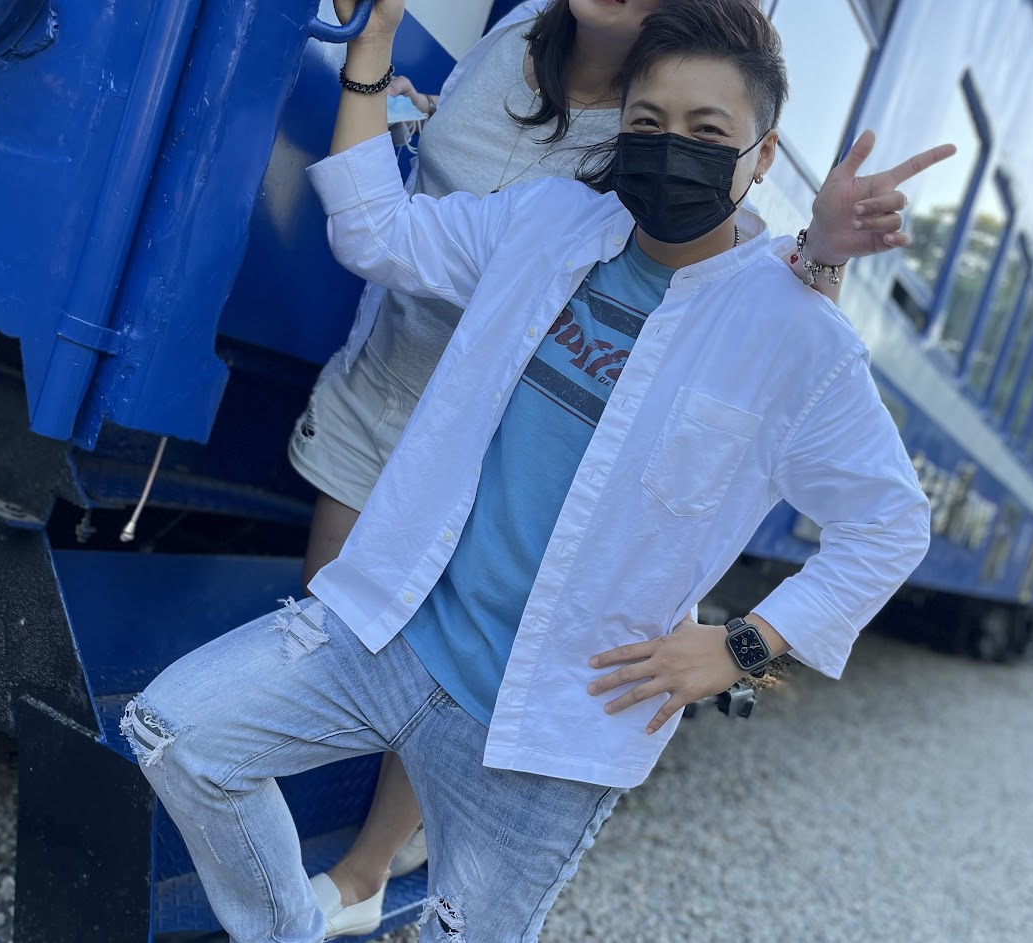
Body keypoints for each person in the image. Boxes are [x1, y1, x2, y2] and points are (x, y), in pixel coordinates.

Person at [120, 0, 935, 939]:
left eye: (708, 132)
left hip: (547, 724)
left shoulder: (796, 337)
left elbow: (889, 524)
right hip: (396, 637)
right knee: (176, 732)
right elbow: (376, 234)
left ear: (762, 155)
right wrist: (371, 45)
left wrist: (743, 645)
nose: (672, 148)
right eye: (648, 123)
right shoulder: (548, 222)